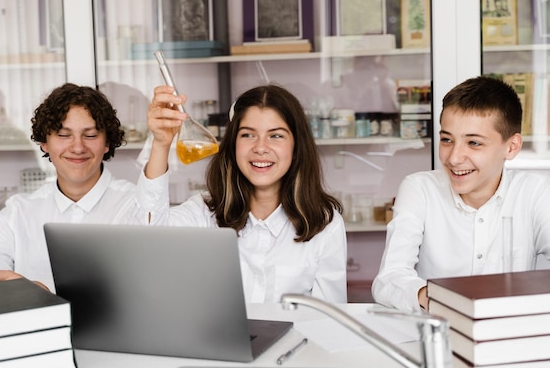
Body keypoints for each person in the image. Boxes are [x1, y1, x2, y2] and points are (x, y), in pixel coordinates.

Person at [139, 84, 348, 303]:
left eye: (276, 136)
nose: (260, 147)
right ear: (233, 145)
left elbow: (330, 319)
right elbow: (148, 242)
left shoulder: (325, 223)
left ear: (296, 147)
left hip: (297, 339)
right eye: (248, 134)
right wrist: (161, 144)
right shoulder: (203, 212)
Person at [0, 83, 148, 292]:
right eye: (64, 135)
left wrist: (43, 293)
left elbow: (141, 286)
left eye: (90, 135)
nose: (78, 147)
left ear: (107, 142)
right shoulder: (20, 210)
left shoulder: (136, 205)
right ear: (44, 142)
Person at [372, 76, 550, 312]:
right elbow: (389, 278)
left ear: (512, 147)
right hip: (438, 332)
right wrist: (441, 299)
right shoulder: (420, 189)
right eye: (447, 139)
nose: (454, 158)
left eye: (474, 143)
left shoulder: (535, 192)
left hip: (508, 335)